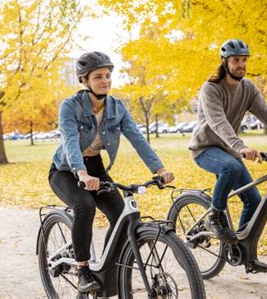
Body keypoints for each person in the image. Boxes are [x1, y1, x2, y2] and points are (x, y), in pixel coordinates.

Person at [48, 51, 174, 292]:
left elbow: (137, 138)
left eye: (107, 75)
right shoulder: (70, 106)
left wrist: (159, 168)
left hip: (96, 167)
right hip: (65, 170)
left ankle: (106, 266)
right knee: (85, 206)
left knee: (120, 217)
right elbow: (70, 140)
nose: (105, 81)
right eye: (98, 77)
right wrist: (81, 173)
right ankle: (84, 269)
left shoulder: (116, 107)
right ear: (84, 81)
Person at [189, 39, 267, 273]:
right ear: (225, 62)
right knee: (231, 168)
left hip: (228, 149)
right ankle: (215, 216)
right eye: (236, 60)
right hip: (205, 148)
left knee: (254, 201)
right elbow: (217, 122)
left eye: (244, 60)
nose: (241, 65)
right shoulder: (210, 88)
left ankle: (243, 253)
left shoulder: (248, 88)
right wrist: (240, 146)